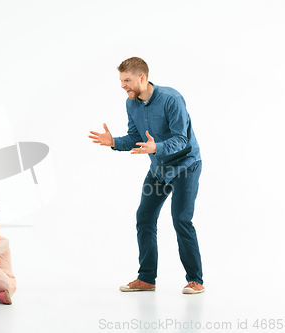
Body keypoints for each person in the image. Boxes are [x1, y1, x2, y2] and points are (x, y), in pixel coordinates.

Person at [89, 57, 205, 294]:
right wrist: (114, 142)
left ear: (142, 77)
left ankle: (195, 280)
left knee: (181, 219)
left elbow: (181, 139)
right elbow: (134, 137)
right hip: (159, 169)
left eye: (127, 80)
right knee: (144, 217)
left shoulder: (171, 99)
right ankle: (147, 278)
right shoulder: (131, 103)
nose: (123, 85)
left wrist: (157, 148)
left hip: (185, 167)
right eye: (121, 81)